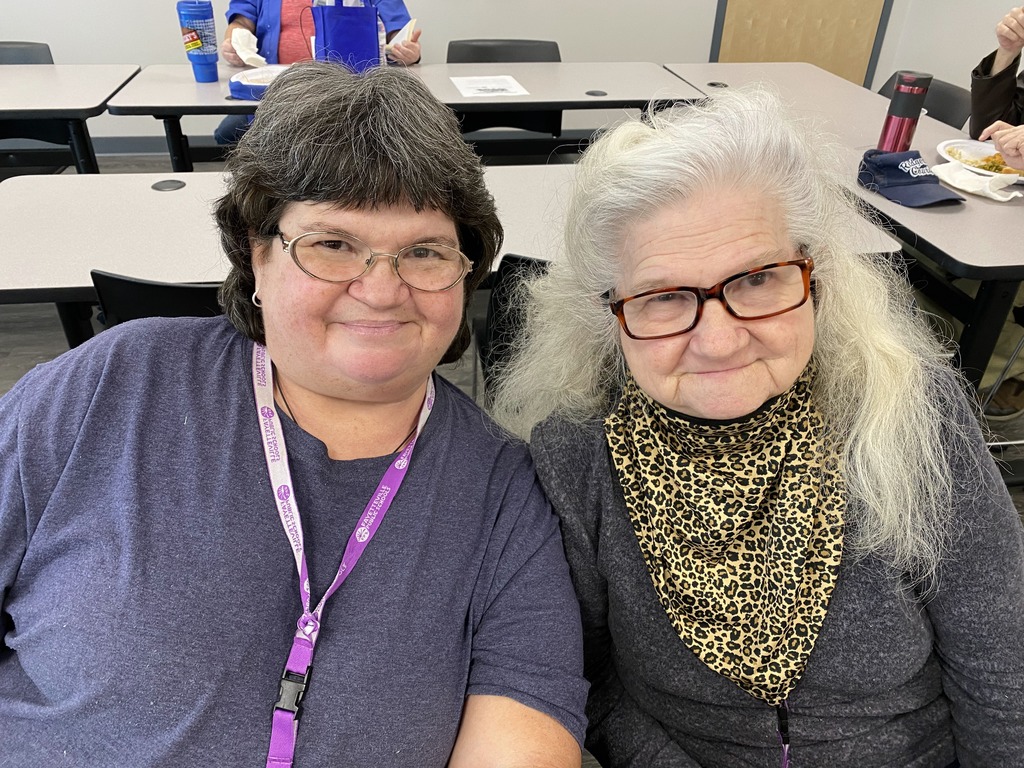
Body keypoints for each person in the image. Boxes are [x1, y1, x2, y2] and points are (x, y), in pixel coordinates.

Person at [0, 61, 586, 767]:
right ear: (256, 252)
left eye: (423, 251)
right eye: (333, 244)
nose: (380, 290)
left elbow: (528, 723)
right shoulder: (112, 385)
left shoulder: (503, 489)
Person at [491, 88, 1024, 767]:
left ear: (815, 276)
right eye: (663, 297)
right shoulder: (575, 453)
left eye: (758, 280)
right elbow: (587, 680)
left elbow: (1002, 671)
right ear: (608, 314)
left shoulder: (909, 407)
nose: (718, 342)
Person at [215, 0, 422, 145]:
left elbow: (398, 30)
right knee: (229, 133)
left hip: (349, 92)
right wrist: (235, 42)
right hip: (278, 94)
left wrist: (406, 50)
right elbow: (240, 22)